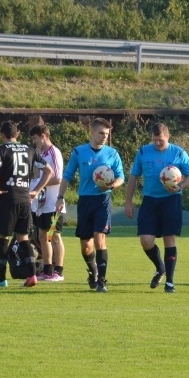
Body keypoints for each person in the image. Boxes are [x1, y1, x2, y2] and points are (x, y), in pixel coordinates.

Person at [124, 123, 189, 293]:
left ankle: (170, 282)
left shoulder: (178, 153)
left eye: (161, 140)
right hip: (150, 201)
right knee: (146, 240)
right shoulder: (143, 151)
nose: (157, 143)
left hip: (171, 201)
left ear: (168, 137)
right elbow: (134, 176)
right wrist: (128, 201)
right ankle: (160, 267)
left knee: (169, 239)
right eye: (155, 140)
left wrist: (180, 187)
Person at [56, 118, 125, 293]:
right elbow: (68, 175)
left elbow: (121, 177)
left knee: (99, 237)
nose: (104, 137)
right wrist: (60, 197)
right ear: (92, 132)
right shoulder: (79, 152)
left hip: (103, 199)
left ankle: (102, 281)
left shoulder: (112, 153)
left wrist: (111, 185)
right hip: (85, 200)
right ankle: (93, 271)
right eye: (101, 133)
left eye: (107, 134)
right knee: (86, 245)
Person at [0, 120, 53, 288]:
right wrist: (36, 191)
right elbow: (49, 171)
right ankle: (32, 275)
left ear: (2, 135)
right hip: (25, 199)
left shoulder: (1, 150)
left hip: (8, 198)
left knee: (2, 238)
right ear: (18, 134)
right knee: (23, 238)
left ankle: (1, 279)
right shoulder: (30, 150)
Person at [29, 124, 66, 282]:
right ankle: (48, 270)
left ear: (43, 135)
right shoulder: (40, 153)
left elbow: (58, 178)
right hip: (42, 204)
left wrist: (38, 186)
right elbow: (37, 175)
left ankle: (59, 271)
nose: (34, 141)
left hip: (53, 203)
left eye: (35, 138)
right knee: (43, 236)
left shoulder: (54, 152)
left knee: (55, 236)